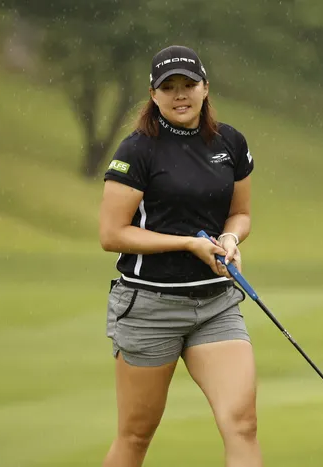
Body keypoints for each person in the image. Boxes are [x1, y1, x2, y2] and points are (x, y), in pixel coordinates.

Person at [98, 45, 262, 467]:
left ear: (205, 88)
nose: (179, 95)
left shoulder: (229, 142)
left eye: (187, 84)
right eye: (168, 87)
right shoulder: (138, 150)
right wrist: (187, 243)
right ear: (153, 95)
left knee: (242, 424)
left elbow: (240, 213)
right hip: (150, 307)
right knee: (136, 435)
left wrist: (230, 238)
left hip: (216, 304)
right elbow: (112, 234)